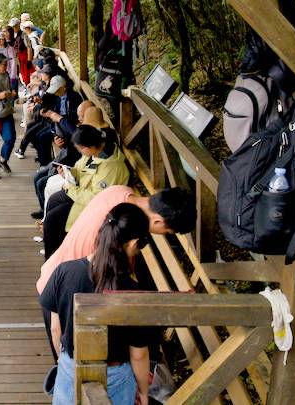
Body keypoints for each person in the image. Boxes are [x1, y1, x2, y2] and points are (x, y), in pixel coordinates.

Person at [39, 203, 156, 404]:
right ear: (133, 243)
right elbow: (138, 355)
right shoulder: (133, 291)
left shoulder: (64, 271)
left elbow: (56, 328)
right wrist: (143, 392)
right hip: (114, 377)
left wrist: (65, 363)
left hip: (70, 367)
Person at [36, 186, 196, 294]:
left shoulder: (120, 191)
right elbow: (117, 293)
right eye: (167, 232)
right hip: (64, 292)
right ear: (158, 222)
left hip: (55, 271)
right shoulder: (116, 237)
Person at [42, 125, 130, 258]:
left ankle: (54, 258)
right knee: (54, 201)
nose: (79, 151)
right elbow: (80, 169)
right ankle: (55, 247)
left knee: (52, 220)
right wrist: (70, 173)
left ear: (87, 147)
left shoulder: (111, 167)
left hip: (93, 208)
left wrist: (71, 188)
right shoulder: (95, 152)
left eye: (79, 148)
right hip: (81, 195)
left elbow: (95, 199)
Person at [34, 75, 83, 166]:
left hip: (68, 128)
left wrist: (57, 117)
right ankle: (44, 163)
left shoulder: (74, 98)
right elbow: (54, 110)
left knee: (43, 137)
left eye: (57, 89)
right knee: (39, 136)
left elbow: (73, 119)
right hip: (57, 125)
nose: (55, 92)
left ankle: (46, 164)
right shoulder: (58, 97)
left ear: (64, 87)